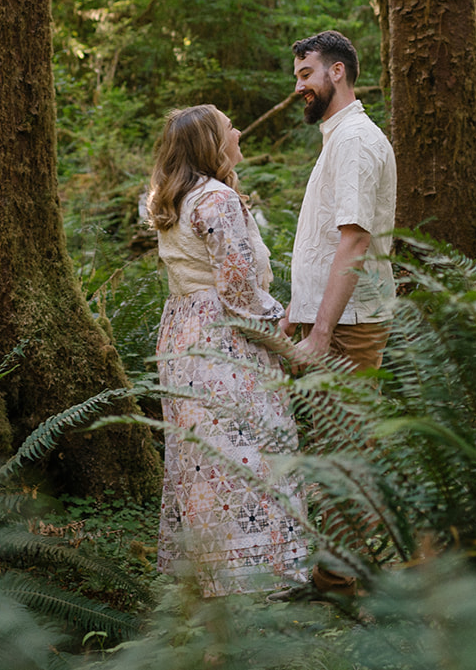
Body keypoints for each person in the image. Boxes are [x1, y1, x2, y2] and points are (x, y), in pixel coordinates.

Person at [148, 104, 309, 597]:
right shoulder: (216, 199)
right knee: (246, 453)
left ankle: (204, 577)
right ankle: (254, 581)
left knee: (200, 461)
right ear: (212, 146)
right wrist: (288, 345)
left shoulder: (173, 198)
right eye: (228, 128)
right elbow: (237, 291)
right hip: (222, 342)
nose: (238, 131)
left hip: (182, 336)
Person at [278, 30, 397, 599]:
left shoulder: (353, 140)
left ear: (338, 74)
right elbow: (328, 243)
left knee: (345, 450)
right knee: (332, 448)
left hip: (349, 327)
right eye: (297, 76)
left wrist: (321, 331)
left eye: (306, 74)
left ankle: (343, 584)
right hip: (335, 321)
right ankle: (334, 577)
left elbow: (353, 242)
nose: (299, 86)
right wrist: (298, 312)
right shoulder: (338, 138)